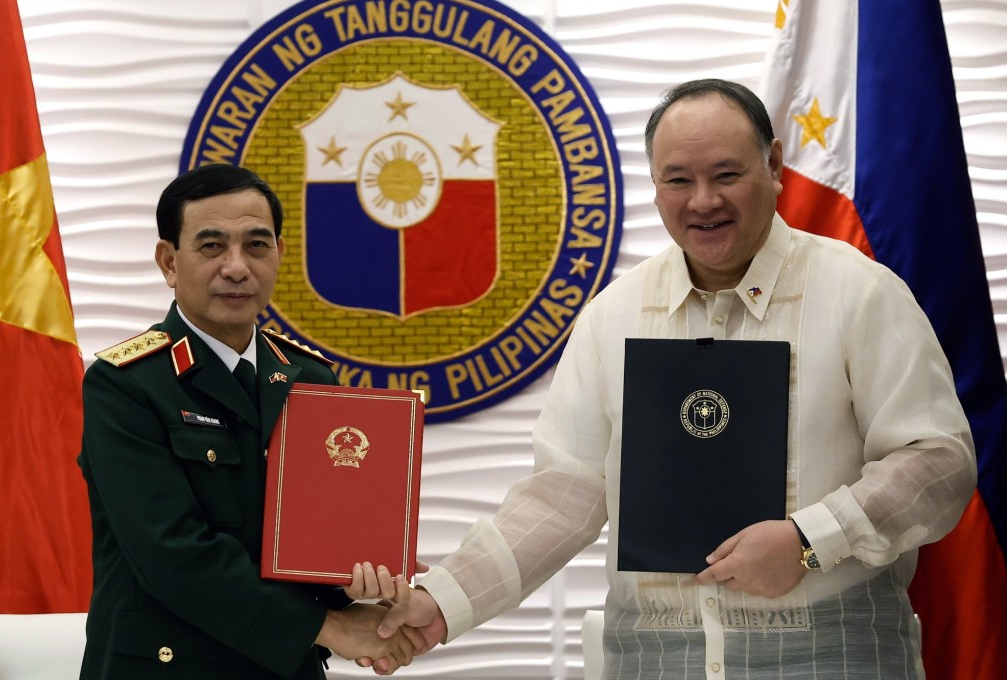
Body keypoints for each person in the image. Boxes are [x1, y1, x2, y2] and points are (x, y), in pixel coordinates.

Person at [357, 79, 978, 678]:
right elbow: (564, 496)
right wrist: (439, 602)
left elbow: (938, 463)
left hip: (829, 657)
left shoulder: (860, 293)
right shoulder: (615, 315)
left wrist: (810, 540)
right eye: (678, 180)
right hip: (653, 660)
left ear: (775, 165)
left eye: (727, 175)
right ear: (655, 188)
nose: (703, 200)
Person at [78, 163, 420, 679]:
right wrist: (330, 628)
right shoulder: (124, 384)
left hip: (285, 667)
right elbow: (172, 553)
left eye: (256, 246)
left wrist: (356, 580)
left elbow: (313, 535)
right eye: (212, 246)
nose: (237, 267)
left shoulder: (309, 376)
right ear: (169, 261)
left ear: (279, 254)